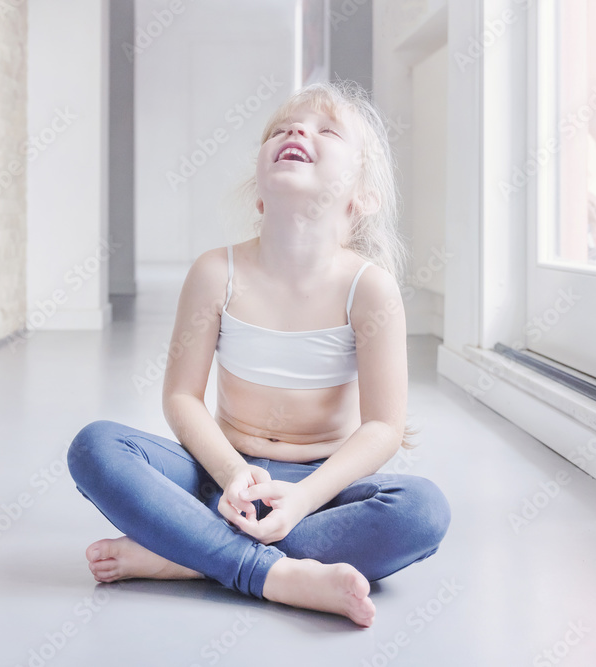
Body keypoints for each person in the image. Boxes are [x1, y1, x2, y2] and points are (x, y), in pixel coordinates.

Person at [66, 80, 451, 628]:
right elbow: (180, 395)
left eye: (327, 130)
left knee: (422, 510)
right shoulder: (215, 272)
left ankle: (188, 556)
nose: (296, 131)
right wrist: (230, 473)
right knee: (95, 447)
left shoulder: (370, 289)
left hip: (317, 491)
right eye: (282, 128)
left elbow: (384, 427)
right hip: (218, 477)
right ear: (260, 192)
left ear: (363, 195)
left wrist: (304, 498)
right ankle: (274, 574)